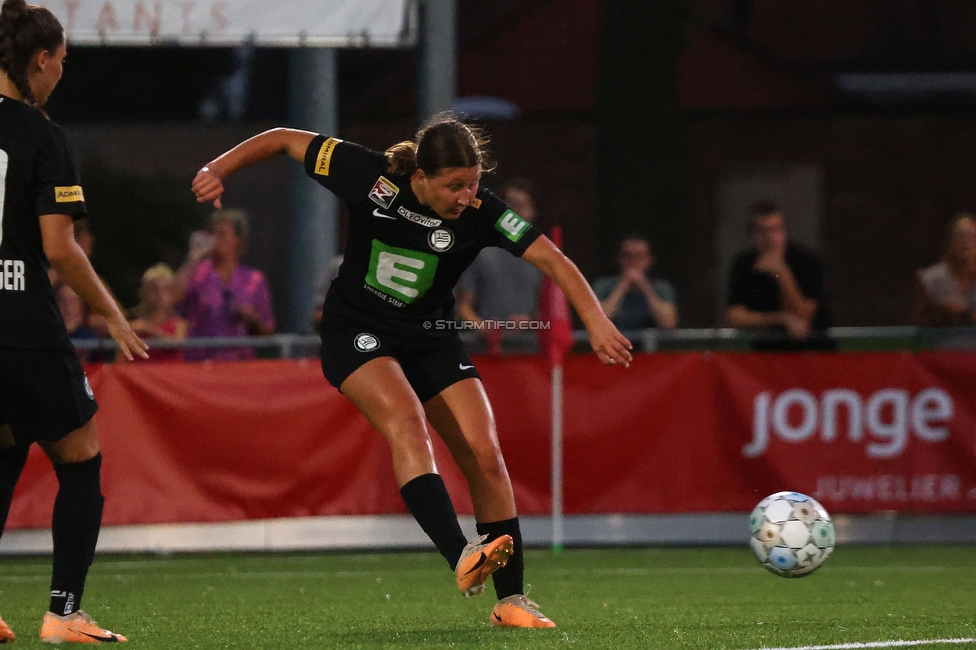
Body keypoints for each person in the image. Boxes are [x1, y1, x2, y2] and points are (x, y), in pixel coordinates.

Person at [191, 114, 633, 629]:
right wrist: (218, 167)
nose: (467, 195)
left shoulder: (482, 210)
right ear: (419, 177)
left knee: (485, 453)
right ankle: (461, 555)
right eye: (454, 185)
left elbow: (553, 259)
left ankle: (511, 600)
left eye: (473, 182)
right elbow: (285, 140)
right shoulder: (369, 175)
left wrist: (596, 320)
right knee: (406, 421)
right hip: (355, 330)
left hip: (429, 335)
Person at [0, 0, 148, 643]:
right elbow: (59, 247)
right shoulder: (42, 136)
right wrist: (112, 313)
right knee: (81, 458)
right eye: (60, 59)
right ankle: (63, 612)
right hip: (23, 324)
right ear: (38, 59)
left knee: (4, 453)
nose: (62, 70)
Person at [726, 200, 832, 350]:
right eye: (763, 231)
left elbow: (804, 316)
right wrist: (781, 319)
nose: (771, 238)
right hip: (768, 355)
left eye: (776, 230)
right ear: (752, 234)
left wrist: (781, 273)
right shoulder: (744, 264)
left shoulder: (805, 261)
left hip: (813, 352)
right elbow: (735, 316)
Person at [174, 208, 275, 361]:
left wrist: (252, 320)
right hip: (200, 363)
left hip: (239, 364)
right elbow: (173, 297)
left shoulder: (254, 279)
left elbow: (267, 329)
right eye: (214, 234)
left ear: (237, 240)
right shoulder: (199, 273)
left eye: (222, 234)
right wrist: (193, 257)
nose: (216, 239)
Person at [456, 179, 544, 352]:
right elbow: (464, 307)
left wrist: (528, 320)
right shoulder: (480, 252)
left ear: (532, 212)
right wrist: (486, 328)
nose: (515, 212)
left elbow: (550, 308)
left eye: (521, 206)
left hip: (531, 349)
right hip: (488, 349)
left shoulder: (543, 257)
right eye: (509, 205)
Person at [592, 234, 678, 331]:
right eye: (627, 256)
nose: (633, 261)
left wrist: (645, 287)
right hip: (614, 343)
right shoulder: (603, 285)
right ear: (619, 259)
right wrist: (622, 287)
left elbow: (669, 323)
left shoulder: (662, 287)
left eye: (639, 256)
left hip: (650, 344)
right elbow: (597, 322)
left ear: (649, 260)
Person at [912, 213, 976, 326]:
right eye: (960, 236)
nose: (966, 242)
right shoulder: (930, 279)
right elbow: (917, 322)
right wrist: (942, 312)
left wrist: (968, 314)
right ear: (950, 240)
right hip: (943, 342)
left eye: (971, 237)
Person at [128, 263, 188, 362]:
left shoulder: (179, 323)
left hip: (167, 375)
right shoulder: (135, 322)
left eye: (165, 289)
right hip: (138, 375)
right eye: (154, 289)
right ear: (144, 292)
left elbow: (177, 342)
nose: (160, 294)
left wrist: (148, 329)